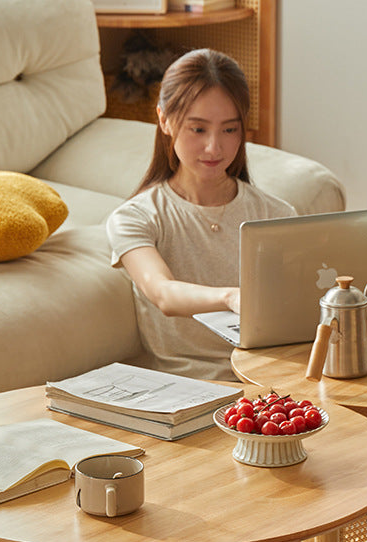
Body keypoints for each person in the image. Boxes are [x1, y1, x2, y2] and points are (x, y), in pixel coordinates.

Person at [106, 48, 296, 381]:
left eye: (229, 130)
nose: (214, 148)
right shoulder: (135, 218)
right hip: (189, 391)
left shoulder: (276, 214)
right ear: (164, 119)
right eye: (198, 130)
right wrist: (230, 296)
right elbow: (163, 293)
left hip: (275, 382)